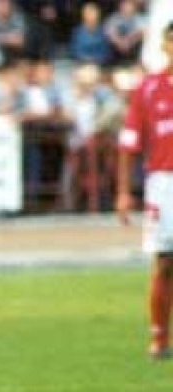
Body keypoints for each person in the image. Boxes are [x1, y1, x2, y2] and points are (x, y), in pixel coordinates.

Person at [117, 22, 173, 360]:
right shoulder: (149, 89)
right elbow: (128, 143)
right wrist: (124, 192)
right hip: (163, 184)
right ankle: (159, 337)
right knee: (164, 262)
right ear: (165, 46)